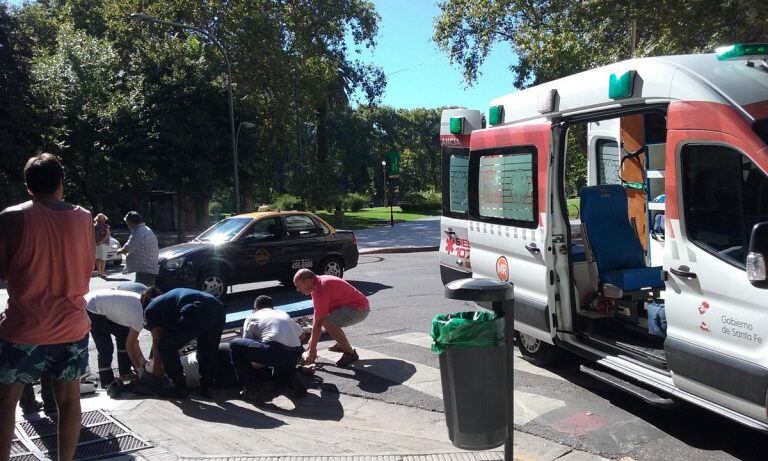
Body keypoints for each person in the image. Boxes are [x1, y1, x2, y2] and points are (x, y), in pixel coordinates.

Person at [0, 153, 94, 461]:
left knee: (6, 402)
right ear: (60, 183)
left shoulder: (11, 217)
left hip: (24, 328)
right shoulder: (84, 218)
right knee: (68, 401)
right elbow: (88, 266)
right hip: (71, 326)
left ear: (28, 187)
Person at [141, 287, 226, 399]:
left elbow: (158, 341)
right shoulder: (168, 300)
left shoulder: (150, 309)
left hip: (197, 309)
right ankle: (207, 388)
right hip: (218, 308)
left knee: (165, 346)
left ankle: (178, 387)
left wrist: (157, 370)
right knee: (207, 351)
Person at [230, 295, 306, 403]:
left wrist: (258, 364)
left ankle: (250, 390)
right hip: (296, 352)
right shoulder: (282, 313)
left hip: (274, 350)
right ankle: (291, 375)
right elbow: (302, 335)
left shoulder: (252, 317)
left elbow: (246, 352)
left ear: (255, 308)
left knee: (235, 344)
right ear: (272, 307)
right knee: (278, 377)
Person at [293, 269, 370, 368]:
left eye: (298, 286)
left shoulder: (321, 289)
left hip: (359, 309)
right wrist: (312, 341)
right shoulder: (317, 284)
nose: (297, 290)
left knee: (326, 321)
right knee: (322, 319)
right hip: (351, 306)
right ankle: (341, 343)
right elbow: (317, 317)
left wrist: (312, 349)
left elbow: (319, 322)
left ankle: (350, 353)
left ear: (307, 281)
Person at [85, 289, 150, 395]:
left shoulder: (143, 302)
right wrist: (140, 370)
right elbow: (130, 346)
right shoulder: (140, 315)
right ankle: (107, 381)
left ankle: (125, 372)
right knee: (106, 347)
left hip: (99, 300)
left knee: (124, 335)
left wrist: (142, 360)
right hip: (92, 308)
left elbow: (133, 340)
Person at [117, 211, 159, 286]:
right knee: (148, 291)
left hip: (145, 270)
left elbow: (128, 247)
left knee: (142, 293)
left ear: (131, 222)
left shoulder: (138, 232)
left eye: (127, 223)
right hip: (149, 268)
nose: (127, 225)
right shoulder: (145, 229)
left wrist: (119, 251)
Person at [94, 213, 110, 278]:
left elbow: (107, 234)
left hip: (100, 243)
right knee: (101, 258)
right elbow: (107, 235)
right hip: (100, 244)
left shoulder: (95, 226)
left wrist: (100, 241)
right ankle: (100, 272)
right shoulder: (95, 226)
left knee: (99, 258)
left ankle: (100, 272)